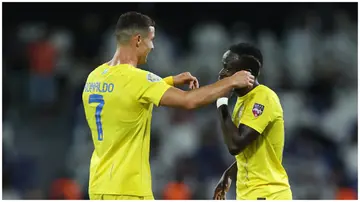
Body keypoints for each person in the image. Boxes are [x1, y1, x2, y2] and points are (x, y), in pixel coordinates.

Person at [82, 12, 254, 200]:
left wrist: (169, 81)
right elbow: (189, 100)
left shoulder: (95, 76)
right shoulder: (137, 79)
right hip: (127, 189)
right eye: (151, 40)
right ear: (138, 40)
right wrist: (231, 81)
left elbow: (125, 95)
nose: (152, 46)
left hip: (99, 185)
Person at [213, 43, 292, 200]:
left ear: (246, 73)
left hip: (267, 193)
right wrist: (229, 174)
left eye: (228, 69)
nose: (221, 74)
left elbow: (235, 145)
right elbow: (250, 153)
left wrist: (221, 102)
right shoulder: (242, 100)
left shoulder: (263, 97)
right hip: (250, 194)